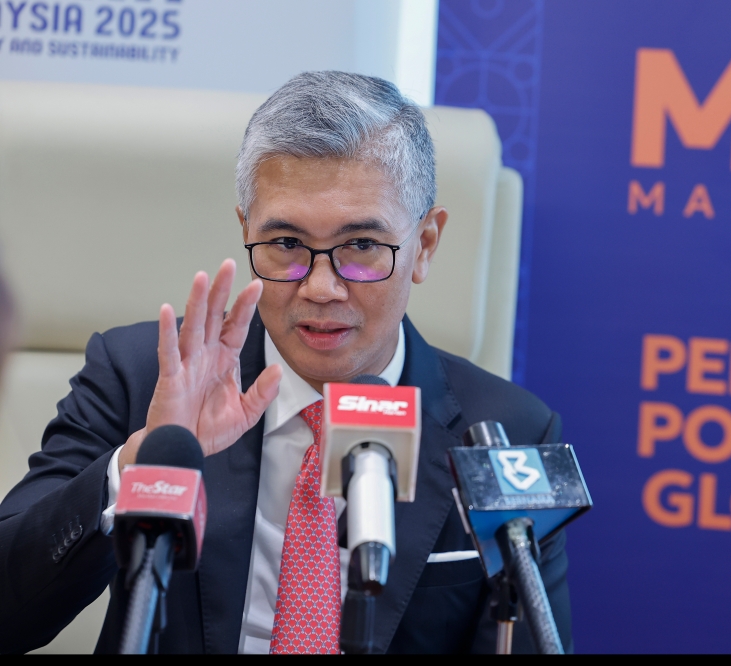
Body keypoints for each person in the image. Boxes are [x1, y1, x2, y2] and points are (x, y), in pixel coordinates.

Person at [0, 72, 571, 654]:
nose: (321, 287)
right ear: (246, 231)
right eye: (288, 245)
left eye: (362, 246)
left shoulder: (511, 437)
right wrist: (145, 462)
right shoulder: (145, 376)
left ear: (424, 244)